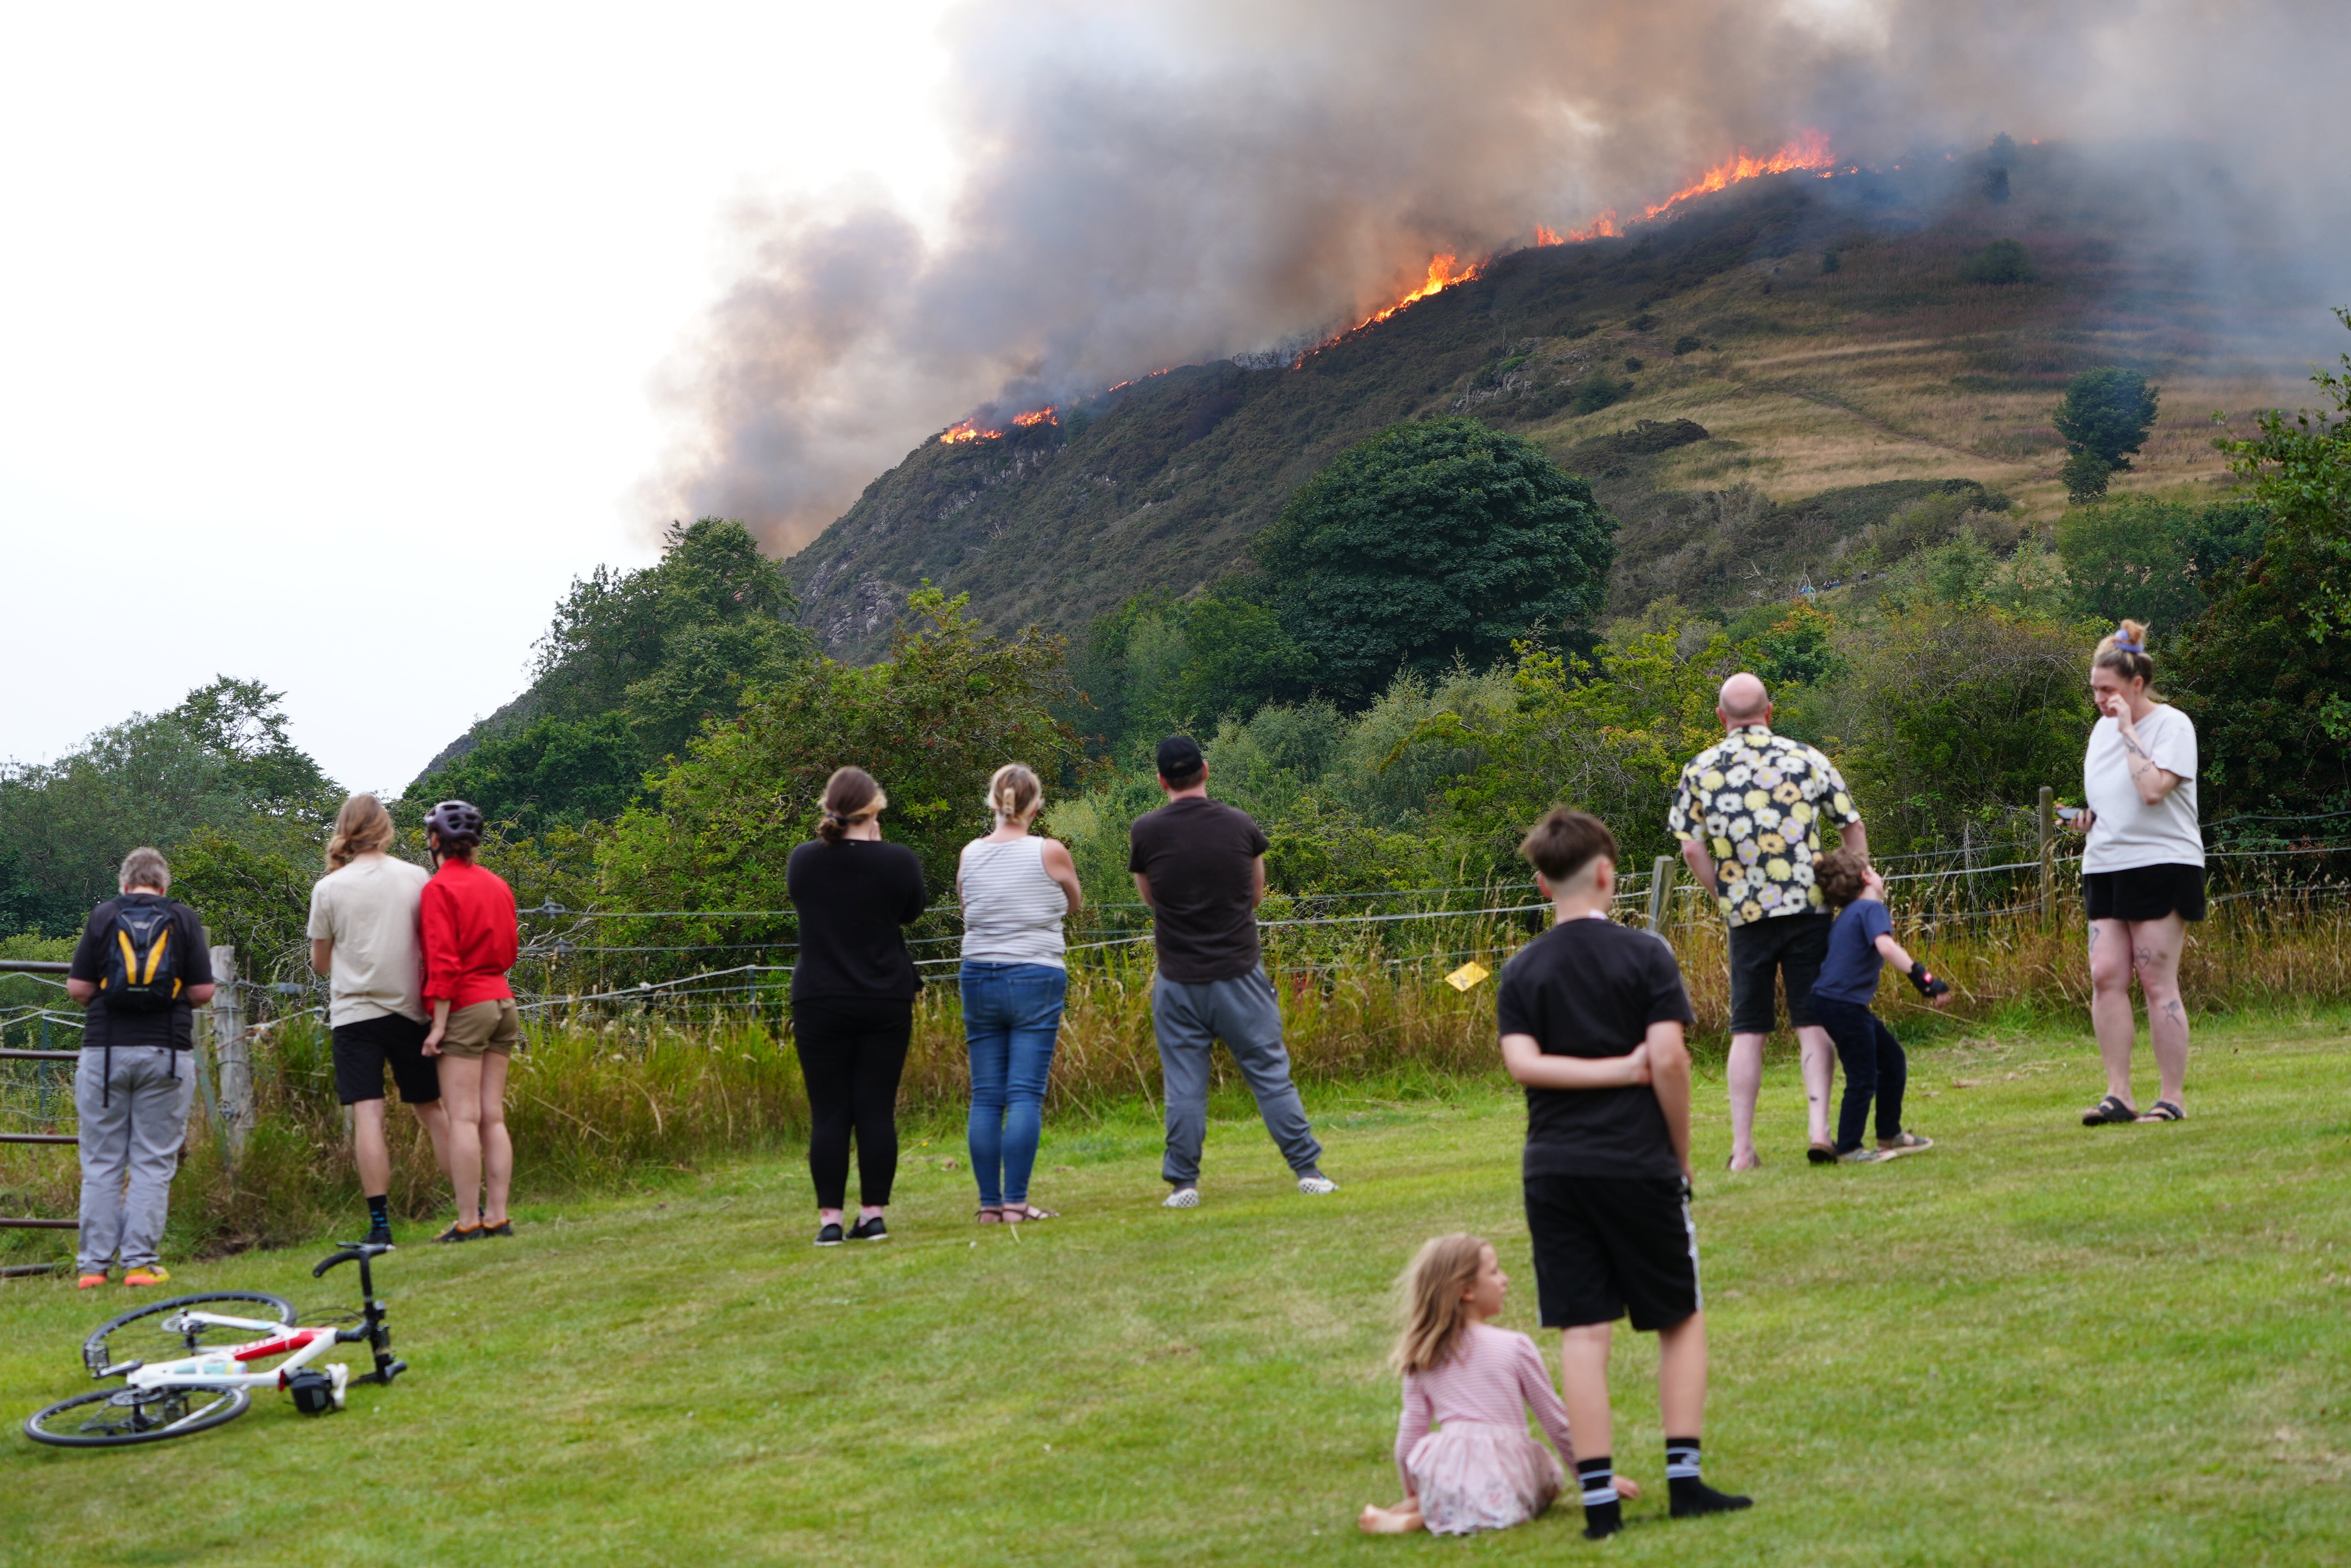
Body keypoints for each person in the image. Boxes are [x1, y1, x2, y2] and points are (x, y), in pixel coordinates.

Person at [1499, 808, 1750, 1539]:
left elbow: (1522, 1065)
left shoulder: (1521, 969)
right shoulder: (1646, 955)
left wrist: (1602, 1070)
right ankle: (1683, 1480)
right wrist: (1678, 1153)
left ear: (1543, 884)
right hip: (1637, 1162)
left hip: (1552, 1170)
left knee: (1584, 1331)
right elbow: (1669, 1060)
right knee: (1679, 1317)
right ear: (1608, 875)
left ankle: (1603, 1504)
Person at [1668, 671, 1867, 1170]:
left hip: (1745, 914)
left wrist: (1722, 892)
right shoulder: (1806, 756)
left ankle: (1742, 1149)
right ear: (1769, 711)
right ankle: (1818, 1130)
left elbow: (1690, 845)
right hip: (1809, 908)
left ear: (1720, 718)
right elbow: (1851, 824)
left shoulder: (1700, 767)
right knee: (1811, 1020)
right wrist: (1854, 886)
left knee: (1748, 1029)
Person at [1129, 734, 1334, 1208]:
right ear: (1205, 769)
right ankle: (1307, 1170)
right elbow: (1256, 893)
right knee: (1269, 1074)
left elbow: (1150, 899)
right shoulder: (1239, 825)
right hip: (1239, 971)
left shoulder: (1146, 832)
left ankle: (1184, 1184)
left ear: (1161, 780)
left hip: (1177, 977)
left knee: (1183, 1085)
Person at [1359, 1234, 1639, 1537]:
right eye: (1494, 1272)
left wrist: (1414, 1491)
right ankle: (1409, 1522)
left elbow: (1408, 1439)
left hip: (1452, 1466)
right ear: (1467, 1290)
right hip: (1508, 1469)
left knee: (1462, 1483)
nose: (1505, 1280)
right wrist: (1595, 1481)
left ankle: (1424, 1506)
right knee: (1531, 1484)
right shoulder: (1515, 1346)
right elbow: (1556, 1423)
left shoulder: (1423, 1355)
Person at [2071, 619, 2204, 1126]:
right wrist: (2086, 820)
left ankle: (2170, 1098)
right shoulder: (2098, 732)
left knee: (2154, 979)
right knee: (2105, 975)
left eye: (2107, 690)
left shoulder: (2172, 725)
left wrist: (2127, 729)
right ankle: (2118, 1094)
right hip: (2104, 865)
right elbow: (2114, 799)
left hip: (2162, 864)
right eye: (2094, 690)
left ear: (2135, 684)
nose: (2100, 700)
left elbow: (2151, 790)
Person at [64, 847, 216, 1288]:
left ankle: (93, 1268)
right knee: (152, 1161)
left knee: (101, 1162)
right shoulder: (182, 918)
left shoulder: (104, 915)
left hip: (104, 1051)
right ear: (163, 886)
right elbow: (204, 990)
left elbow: (78, 988)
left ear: (125, 885)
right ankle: (139, 1263)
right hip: (166, 1053)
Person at [788, 766, 925, 1246]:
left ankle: (829, 1220)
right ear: (874, 808)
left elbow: (805, 900)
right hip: (884, 996)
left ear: (830, 808)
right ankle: (872, 1214)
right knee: (875, 1108)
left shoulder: (803, 861)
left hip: (819, 998)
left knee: (828, 1112)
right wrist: (878, 845)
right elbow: (910, 911)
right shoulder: (899, 862)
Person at [309, 793, 451, 1246]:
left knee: (369, 1116)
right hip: (410, 1010)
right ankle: (473, 1206)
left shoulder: (328, 888)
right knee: (433, 1110)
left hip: (354, 1015)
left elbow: (320, 964)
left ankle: (381, 1225)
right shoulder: (416, 877)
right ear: (386, 829)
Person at [958, 763, 1083, 1225]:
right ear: (1036, 805)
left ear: (992, 801)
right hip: (1036, 973)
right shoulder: (1049, 851)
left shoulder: (970, 853)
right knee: (1025, 1095)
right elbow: (1074, 901)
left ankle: (990, 1204)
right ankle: (1016, 1202)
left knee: (986, 1096)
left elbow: (968, 905)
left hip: (978, 973)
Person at [417, 800, 521, 1242]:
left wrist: (438, 1025)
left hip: (465, 1004)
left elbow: (443, 962)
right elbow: (512, 949)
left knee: (461, 1118)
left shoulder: (439, 889)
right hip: (503, 999)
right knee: (491, 1117)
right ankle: (498, 1215)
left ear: (435, 841)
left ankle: (467, 1220)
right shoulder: (497, 884)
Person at [1808, 849, 1947, 1164]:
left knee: (1892, 1060)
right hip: (1843, 1005)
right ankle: (1849, 1148)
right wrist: (1925, 979)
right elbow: (1885, 946)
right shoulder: (1872, 909)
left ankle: (1889, 1134)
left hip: (1835, 1003)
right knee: (1863, 1075)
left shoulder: (1849, 914)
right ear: (1867, 878)